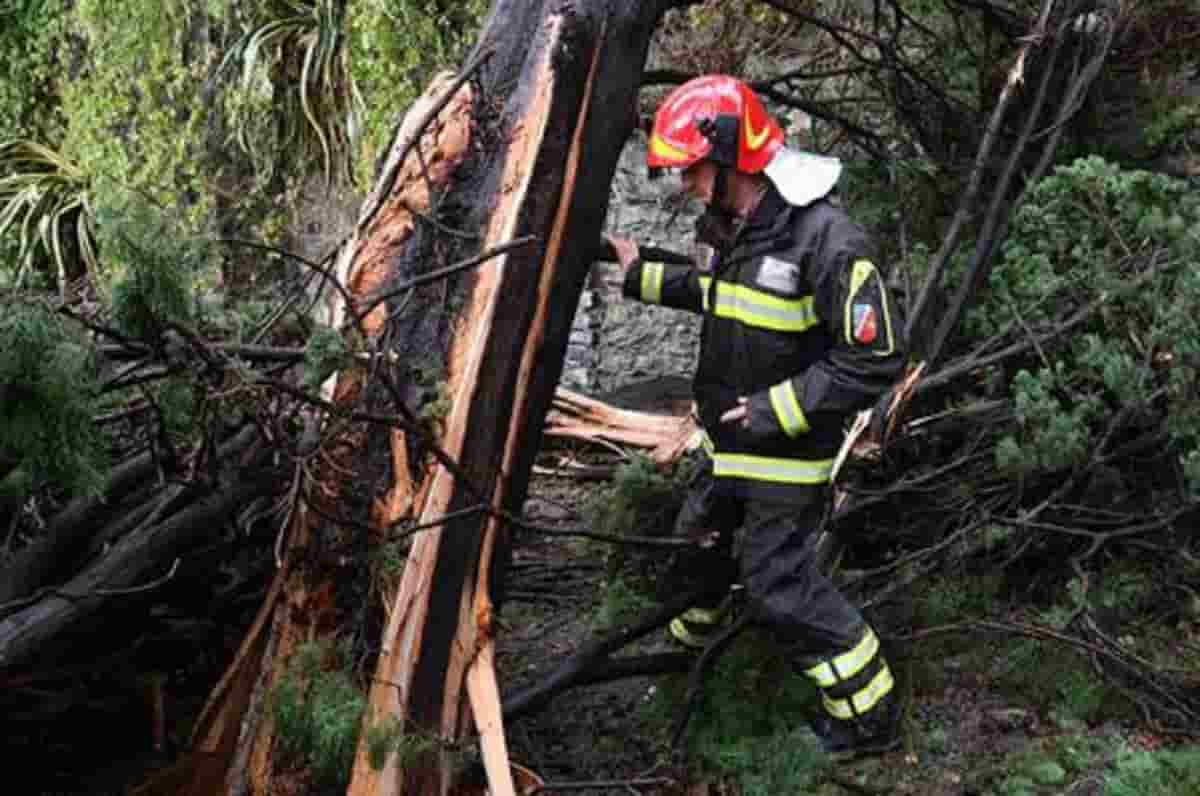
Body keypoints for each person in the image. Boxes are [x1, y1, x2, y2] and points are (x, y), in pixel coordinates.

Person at [606, 75, 907, 757]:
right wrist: (635, 275)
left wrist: (778, 407)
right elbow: (713, 291)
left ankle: (869, 712)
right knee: (698, 544)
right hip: (729, 445)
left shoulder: (826, 239)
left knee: (780, 586)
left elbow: (873, 359)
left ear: (729, 156)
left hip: (787, 453)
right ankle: (694, 664)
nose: (682, 183)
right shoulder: (731, 229)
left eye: (690, 169)